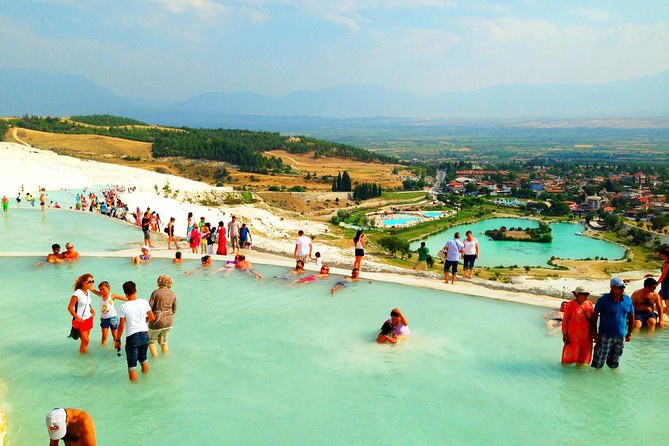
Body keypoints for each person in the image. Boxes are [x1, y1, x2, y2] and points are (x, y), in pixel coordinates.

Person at [115, 281, 155, 382]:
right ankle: (146, 380)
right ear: (136, 290)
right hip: (145, 335)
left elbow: (121, 326)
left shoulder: (124, 307)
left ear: (125, 293)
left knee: (132, 364)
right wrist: (143, 321)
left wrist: (117, 339)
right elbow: (152, 317)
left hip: (132, 337)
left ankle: (134, 387)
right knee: (143, 359)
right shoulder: (144, 302)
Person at [590, 277, 635, 369]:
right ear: (612, 288)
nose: (622, 289)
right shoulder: (603, 300)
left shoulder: (627, 300)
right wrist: (594, 332)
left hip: (620, 337)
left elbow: (632, 316)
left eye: (623, 287)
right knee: (598, 364)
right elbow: (594, 316)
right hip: (605, 336)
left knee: (614, 363)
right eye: (620, 287)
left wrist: (630, 333)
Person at [561, 287, 595, 365]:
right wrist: (565, 334)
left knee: (583, 361)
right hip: (573, 336)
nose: (587, 296)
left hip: (586, 337)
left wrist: (594, 333)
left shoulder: (589, 304)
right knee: (569, 360)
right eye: (585, 294)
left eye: (588, 294)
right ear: (578, 295)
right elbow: (565, 320)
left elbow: (593, 319)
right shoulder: (570, 305)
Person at [90, 281, 127, 346]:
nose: (101, 291)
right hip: (104, 319)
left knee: (115, 335)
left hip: (113, 318)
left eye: (103, 289)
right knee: (104, 336)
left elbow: (125, 298)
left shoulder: (112, 295)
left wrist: (133, 300)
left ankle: (116, 349)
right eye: (100, 290)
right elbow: (92, 289)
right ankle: (103, 351)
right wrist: (85, 283)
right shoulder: (101, 295)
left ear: (108, 288)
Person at [148, 275, 177, 357]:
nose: (157, 282)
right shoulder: (172, 293)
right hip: (169, 321)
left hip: (157, 319)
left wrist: (146, 318)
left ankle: (154, 361)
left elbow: (149, 307)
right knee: (164, 343)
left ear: (160, 282)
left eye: (158, 280)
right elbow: (174, 308)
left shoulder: (155, 292)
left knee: (151, 341)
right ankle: (165, 358)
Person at [68, 274, 96, 354]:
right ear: (83, 283)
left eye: (92, 281)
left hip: (89, 318)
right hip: (80, 321)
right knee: (86, 340)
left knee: (85, 341)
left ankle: (84, 353)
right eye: (90, 282)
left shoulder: (88, 292)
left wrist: (93, 312)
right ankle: (83, 358)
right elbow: (70, 308)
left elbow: (87, 304)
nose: (92, 283)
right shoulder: (77, 293)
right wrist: (77, 317)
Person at [657, 248, 669, 321]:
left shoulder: (667, 264)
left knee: (667, 304)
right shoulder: (666, 262)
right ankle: (660, 313)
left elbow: (663, 276)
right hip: (666, 285)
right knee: (659, 297)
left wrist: (656, 284)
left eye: (662, 255)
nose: (661, 256)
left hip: (666, 285)